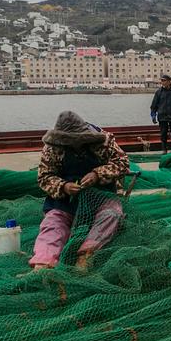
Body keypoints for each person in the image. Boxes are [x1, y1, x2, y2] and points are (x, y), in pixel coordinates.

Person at [29, 111, 130, 270]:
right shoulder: (52, 147)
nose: (73, 144)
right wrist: (64, 186)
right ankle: (43, 262)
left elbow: (123, 163)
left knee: (112, 214)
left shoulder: (103, 140)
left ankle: (86, 255)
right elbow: (44, 177)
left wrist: (97, 174)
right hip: (65, 201)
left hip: (102, 197)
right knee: (53, 222)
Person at [150, 74, 171, 154]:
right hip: (162, 116)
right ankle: (164, 149)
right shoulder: (158, 92)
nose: (162, 82)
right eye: (161, 81)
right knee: (163, 134)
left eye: (164, 80)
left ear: (169, 81)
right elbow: (154, 105)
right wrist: (153, 115)